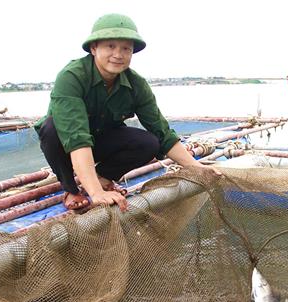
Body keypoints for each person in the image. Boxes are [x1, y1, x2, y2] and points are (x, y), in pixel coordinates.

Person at [35, 13, 220, 212]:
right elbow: (76, 138)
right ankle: (72, 189)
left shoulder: (136, 84)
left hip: (102, 141)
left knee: (149, 142)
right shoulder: (72, 76)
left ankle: (102, 177)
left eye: (126, 48)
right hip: (67, 145)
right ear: (94, 48)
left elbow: (162, 133)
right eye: (110, 46)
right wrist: (96, 193)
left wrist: (197, 168)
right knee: (51, 129)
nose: (118, 54)